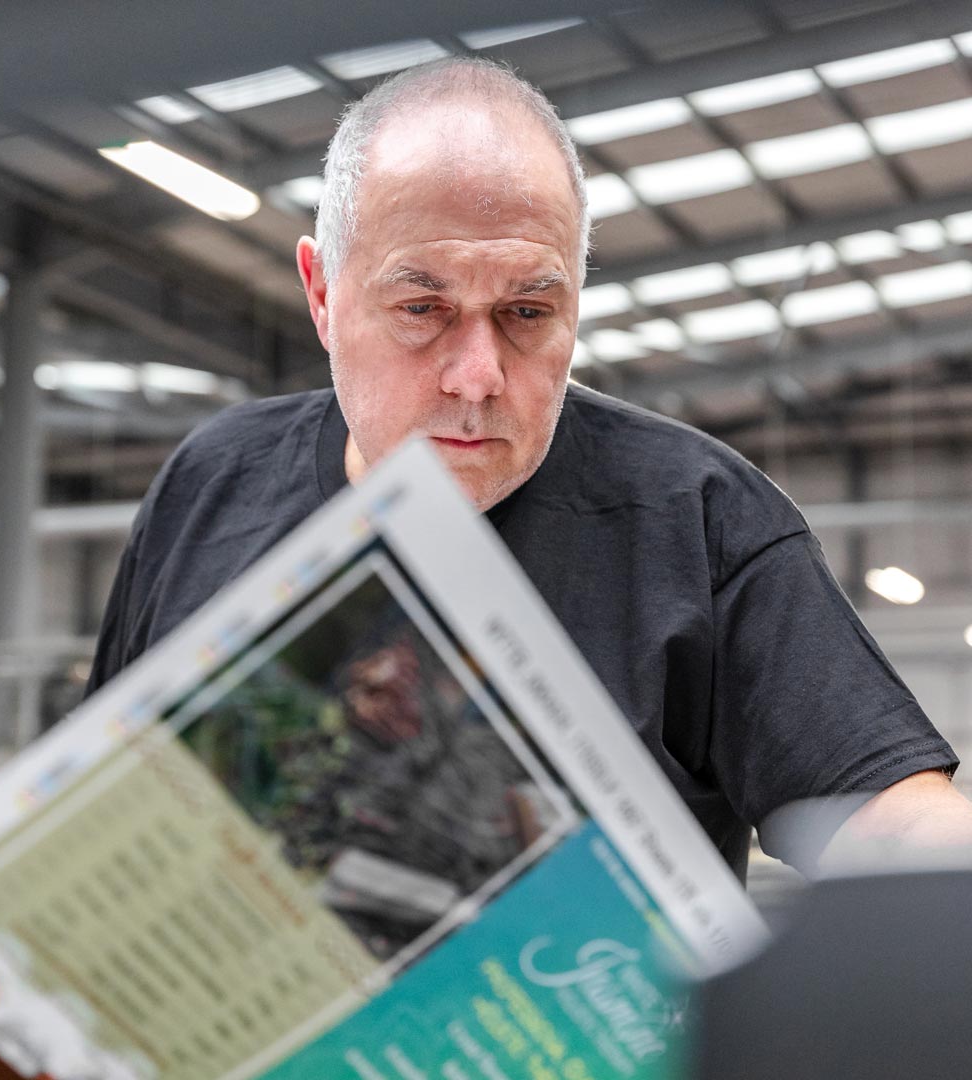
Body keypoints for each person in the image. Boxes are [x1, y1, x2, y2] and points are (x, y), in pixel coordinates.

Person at [87, 57, 972, 879]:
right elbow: (98, 794)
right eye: (422, 307)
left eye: (527, 312)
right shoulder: (212, 483)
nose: (478, 375)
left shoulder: (701, 526)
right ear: (322, 295)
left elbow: (888, 821)